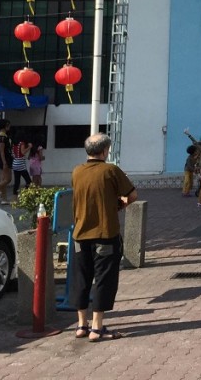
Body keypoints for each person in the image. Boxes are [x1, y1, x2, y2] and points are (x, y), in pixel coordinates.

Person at [71, 133, 137, 341]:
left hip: (80, 234)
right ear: (104, 150)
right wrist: (119, 204)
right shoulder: (111, 170)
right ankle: (97, 327)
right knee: (104, 279)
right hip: (105, 233)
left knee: (81, 278)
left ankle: (81, 324)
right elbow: (132, 195)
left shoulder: (77, 171)